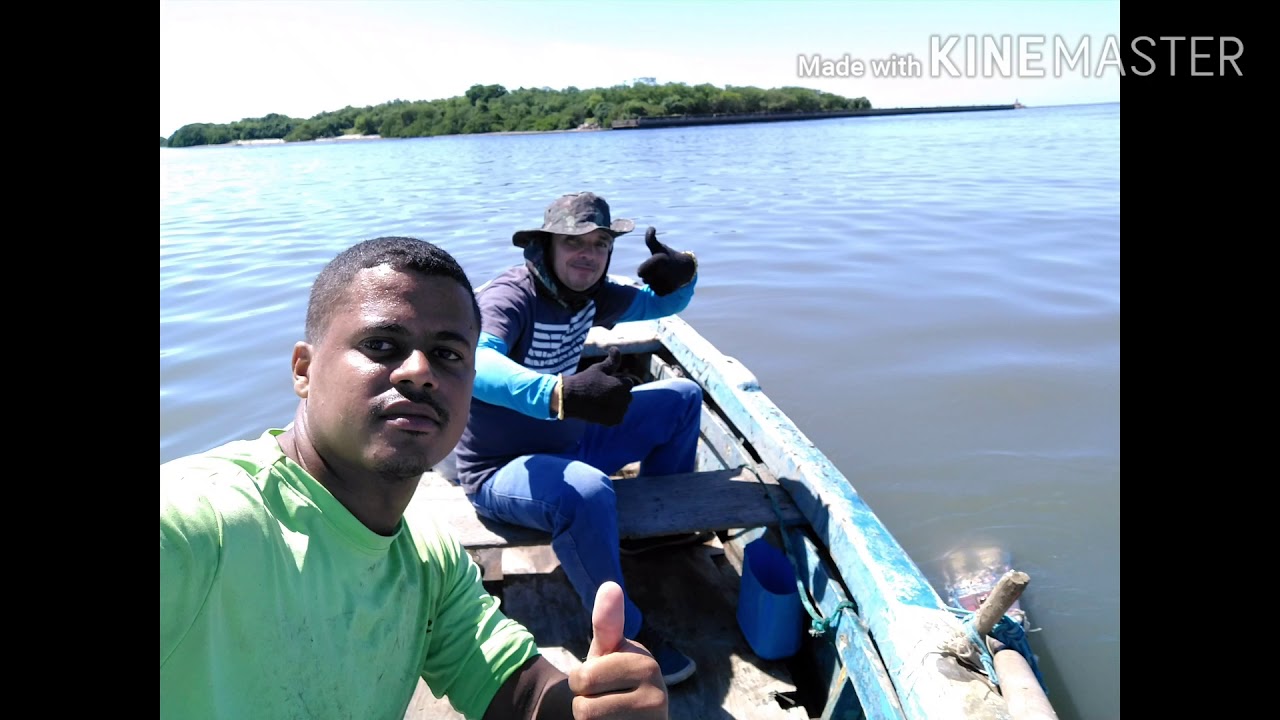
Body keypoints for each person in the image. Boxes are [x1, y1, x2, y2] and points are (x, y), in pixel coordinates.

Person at [159, 236, 667, 720]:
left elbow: (524, 695)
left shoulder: (429, 561)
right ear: (303, 370)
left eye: (448, 355)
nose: (420, 371)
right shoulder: (198, 525)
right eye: (381, 344)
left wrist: (595, 706)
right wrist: (557, 394)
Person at [452, 192, 705, 686]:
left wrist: (686, 273)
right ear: (546, 246)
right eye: (573, 242)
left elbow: (664, 304)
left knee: (681, 398)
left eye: (600, 242)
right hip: (501, 466)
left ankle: (657, 539)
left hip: (572, 438)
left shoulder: (597, 292)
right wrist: (560, 393)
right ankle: (624, 633)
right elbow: (477, 364)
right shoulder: (509, 297)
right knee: (585, 491)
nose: (587, 254)